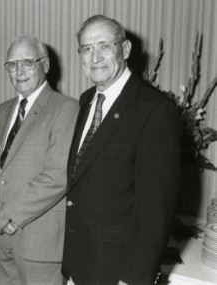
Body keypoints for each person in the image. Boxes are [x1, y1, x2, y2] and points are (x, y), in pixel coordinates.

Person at [62, 15, 181, 284]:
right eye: (86, 48)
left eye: (104, 45)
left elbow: (156, 210)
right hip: (79, 264)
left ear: (125, 49)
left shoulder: (154, 109)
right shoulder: (86, 100)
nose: (95, 57)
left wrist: (133, 278)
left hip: (117, 271)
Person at [0, 35, 79, 285]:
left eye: (27, 62)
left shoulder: (66, 109)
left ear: (45, 65)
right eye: (12, 64)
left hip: (40, 242)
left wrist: (8, 215)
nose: (19, 71)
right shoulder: (0, 112)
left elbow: (57, 176)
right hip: (4, 236)